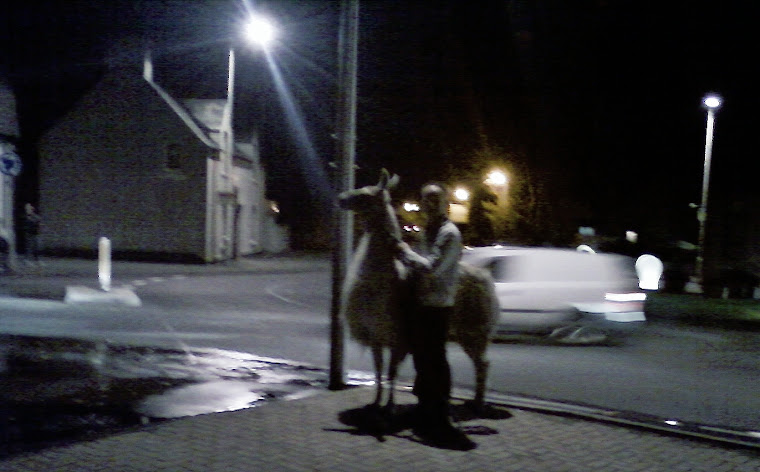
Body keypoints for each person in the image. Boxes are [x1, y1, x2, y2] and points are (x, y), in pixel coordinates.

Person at [398, 183, 476, 450]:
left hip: (438, 305)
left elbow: (431, 268)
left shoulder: (449, 233)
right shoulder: (428, 231)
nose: (428, 205)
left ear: (444, 203)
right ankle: (425, 407)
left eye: (434, 200)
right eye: (424, 200)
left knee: (435, 359)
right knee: (422, 357)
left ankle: (440, 411)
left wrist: (403, 251)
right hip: (423, 303)